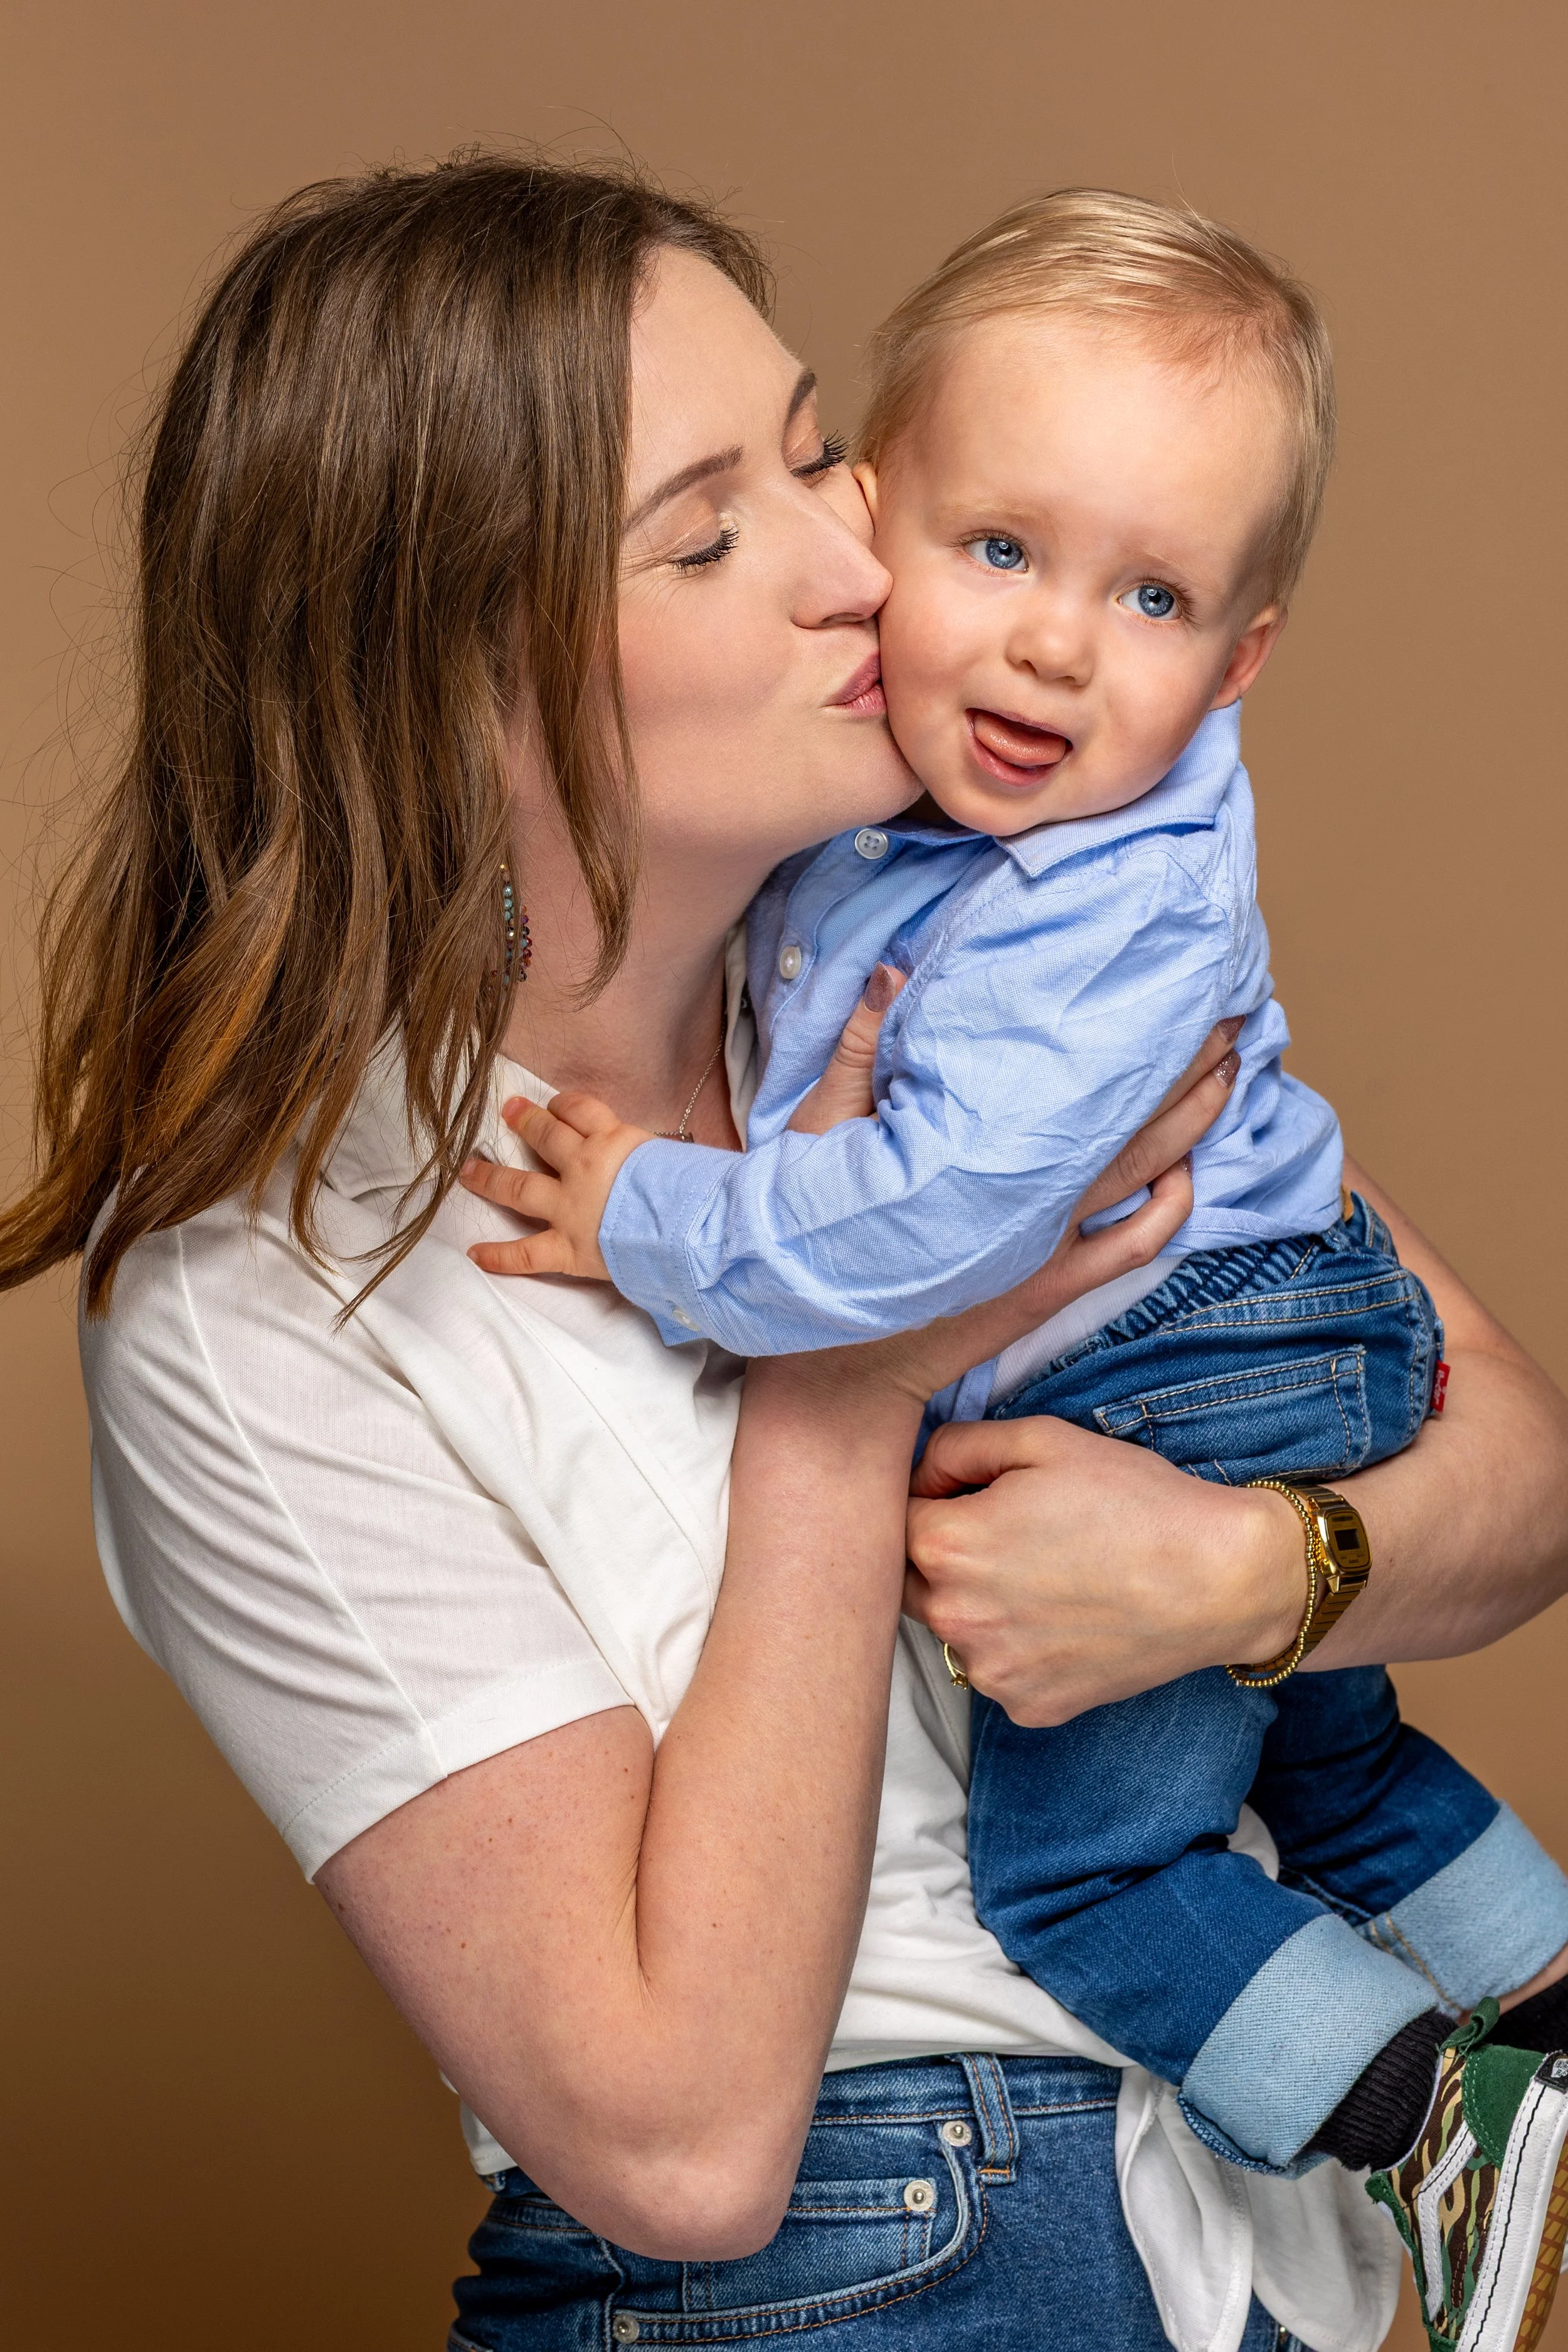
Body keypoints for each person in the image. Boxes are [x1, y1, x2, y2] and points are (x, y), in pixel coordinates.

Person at [3, 154, 1567, 2352]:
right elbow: (680, 2145)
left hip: (1233, 2258)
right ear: (448, 667)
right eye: (716, 529)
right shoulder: (268, 1313)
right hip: (847, 2274)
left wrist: (1243, 1575)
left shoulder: (947, 950)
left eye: (825, 444)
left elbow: (1512, 1471)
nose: (870, 561)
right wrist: (850, 1394)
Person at [492, 191, 1568, 2344]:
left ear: (1240, 653)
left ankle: (1430, 2119)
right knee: (1325, 1761)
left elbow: (921, 1231)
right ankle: (1540, 1975)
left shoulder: (1093, 903)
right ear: (874, 515)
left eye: (1149, 594)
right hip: (1272, 1320)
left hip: (1183, 1360)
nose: (1058, 645)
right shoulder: (944, 822)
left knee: (1088, 1870)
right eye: (995, 552)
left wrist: (644, 1218)